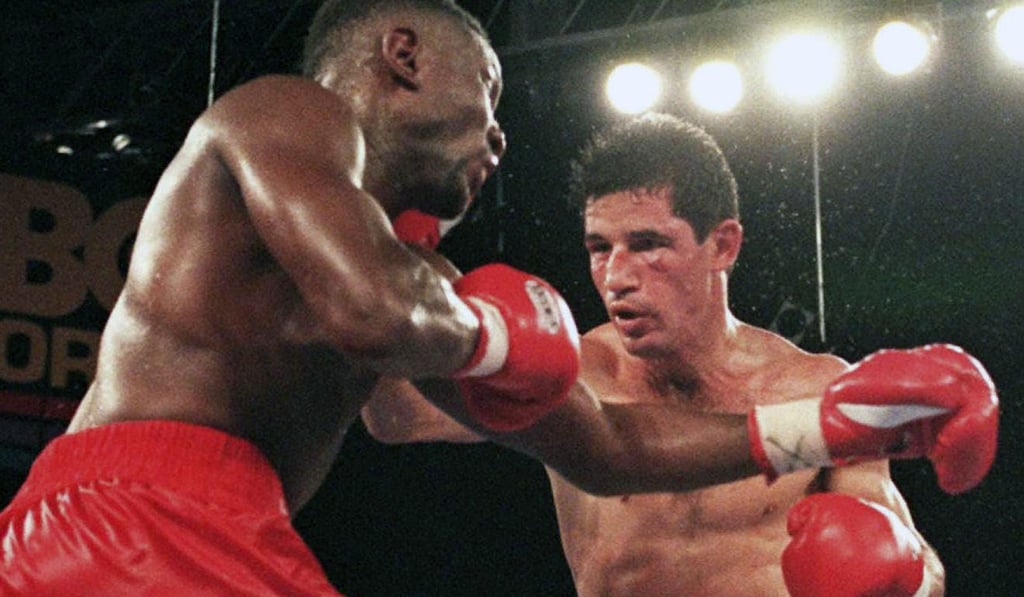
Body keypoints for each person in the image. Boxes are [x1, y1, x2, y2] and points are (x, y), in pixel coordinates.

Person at [0, 0, 996, 592]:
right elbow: (372, 316)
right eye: (487, 94)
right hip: (134, 516)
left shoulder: (429, 291)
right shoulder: (285, 114)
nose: (499, 137)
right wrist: (487, 336)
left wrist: (830, 419)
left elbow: (611, 451)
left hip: (205, 528)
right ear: (403, 58)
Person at [364, 114, 999, 596]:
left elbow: (914, 558)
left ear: (722, 245)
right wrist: (383, 236)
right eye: (598, 248)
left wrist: (901, 573)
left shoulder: (812, 387)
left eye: (647, 244)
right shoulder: (574, 374)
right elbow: (396, 416)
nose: (616, 276)